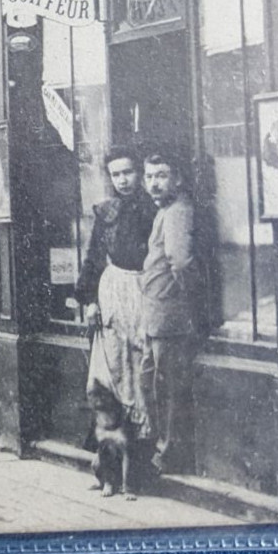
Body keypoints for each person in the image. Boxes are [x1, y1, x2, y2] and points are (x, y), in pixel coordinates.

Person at [76, 147, 158, 436]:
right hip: (113, 293)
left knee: (142, 359)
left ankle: (143, 439)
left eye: (128, 172)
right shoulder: (107, 212)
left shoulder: (154, 209)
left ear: (139, 173)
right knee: (112, 362)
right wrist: (89, 301)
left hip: (144, 289)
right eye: (116, 174)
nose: (122, 180)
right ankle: (111, 439)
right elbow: (94, 257)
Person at [138, 151, 202, 474]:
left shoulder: (178, 211)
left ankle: (168, 453)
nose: (154, 183)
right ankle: (159, 447)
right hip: (156, 315)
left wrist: (189, 303)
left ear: (177, 177)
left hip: (170, 315)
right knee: (151, 382)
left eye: (161, 175)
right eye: (149, 176)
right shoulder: (164, 210)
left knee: (166, 387)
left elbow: (180, 263)